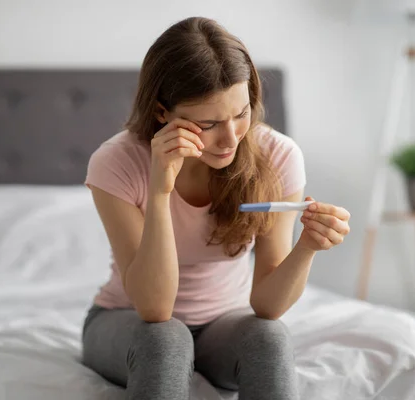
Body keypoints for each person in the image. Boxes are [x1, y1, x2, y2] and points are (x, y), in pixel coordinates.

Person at [81, 16, 350, 400]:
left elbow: (267, 306)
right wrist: (160, 191)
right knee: (166, 340)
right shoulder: (117, 162)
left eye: (241, 114)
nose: (230, 140)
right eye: (208, 123)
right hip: (129, 324)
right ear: (162, 112)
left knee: (268, 337)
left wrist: (307, 246)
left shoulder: (278, 156)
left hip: (224, 326)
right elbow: (155, 309)